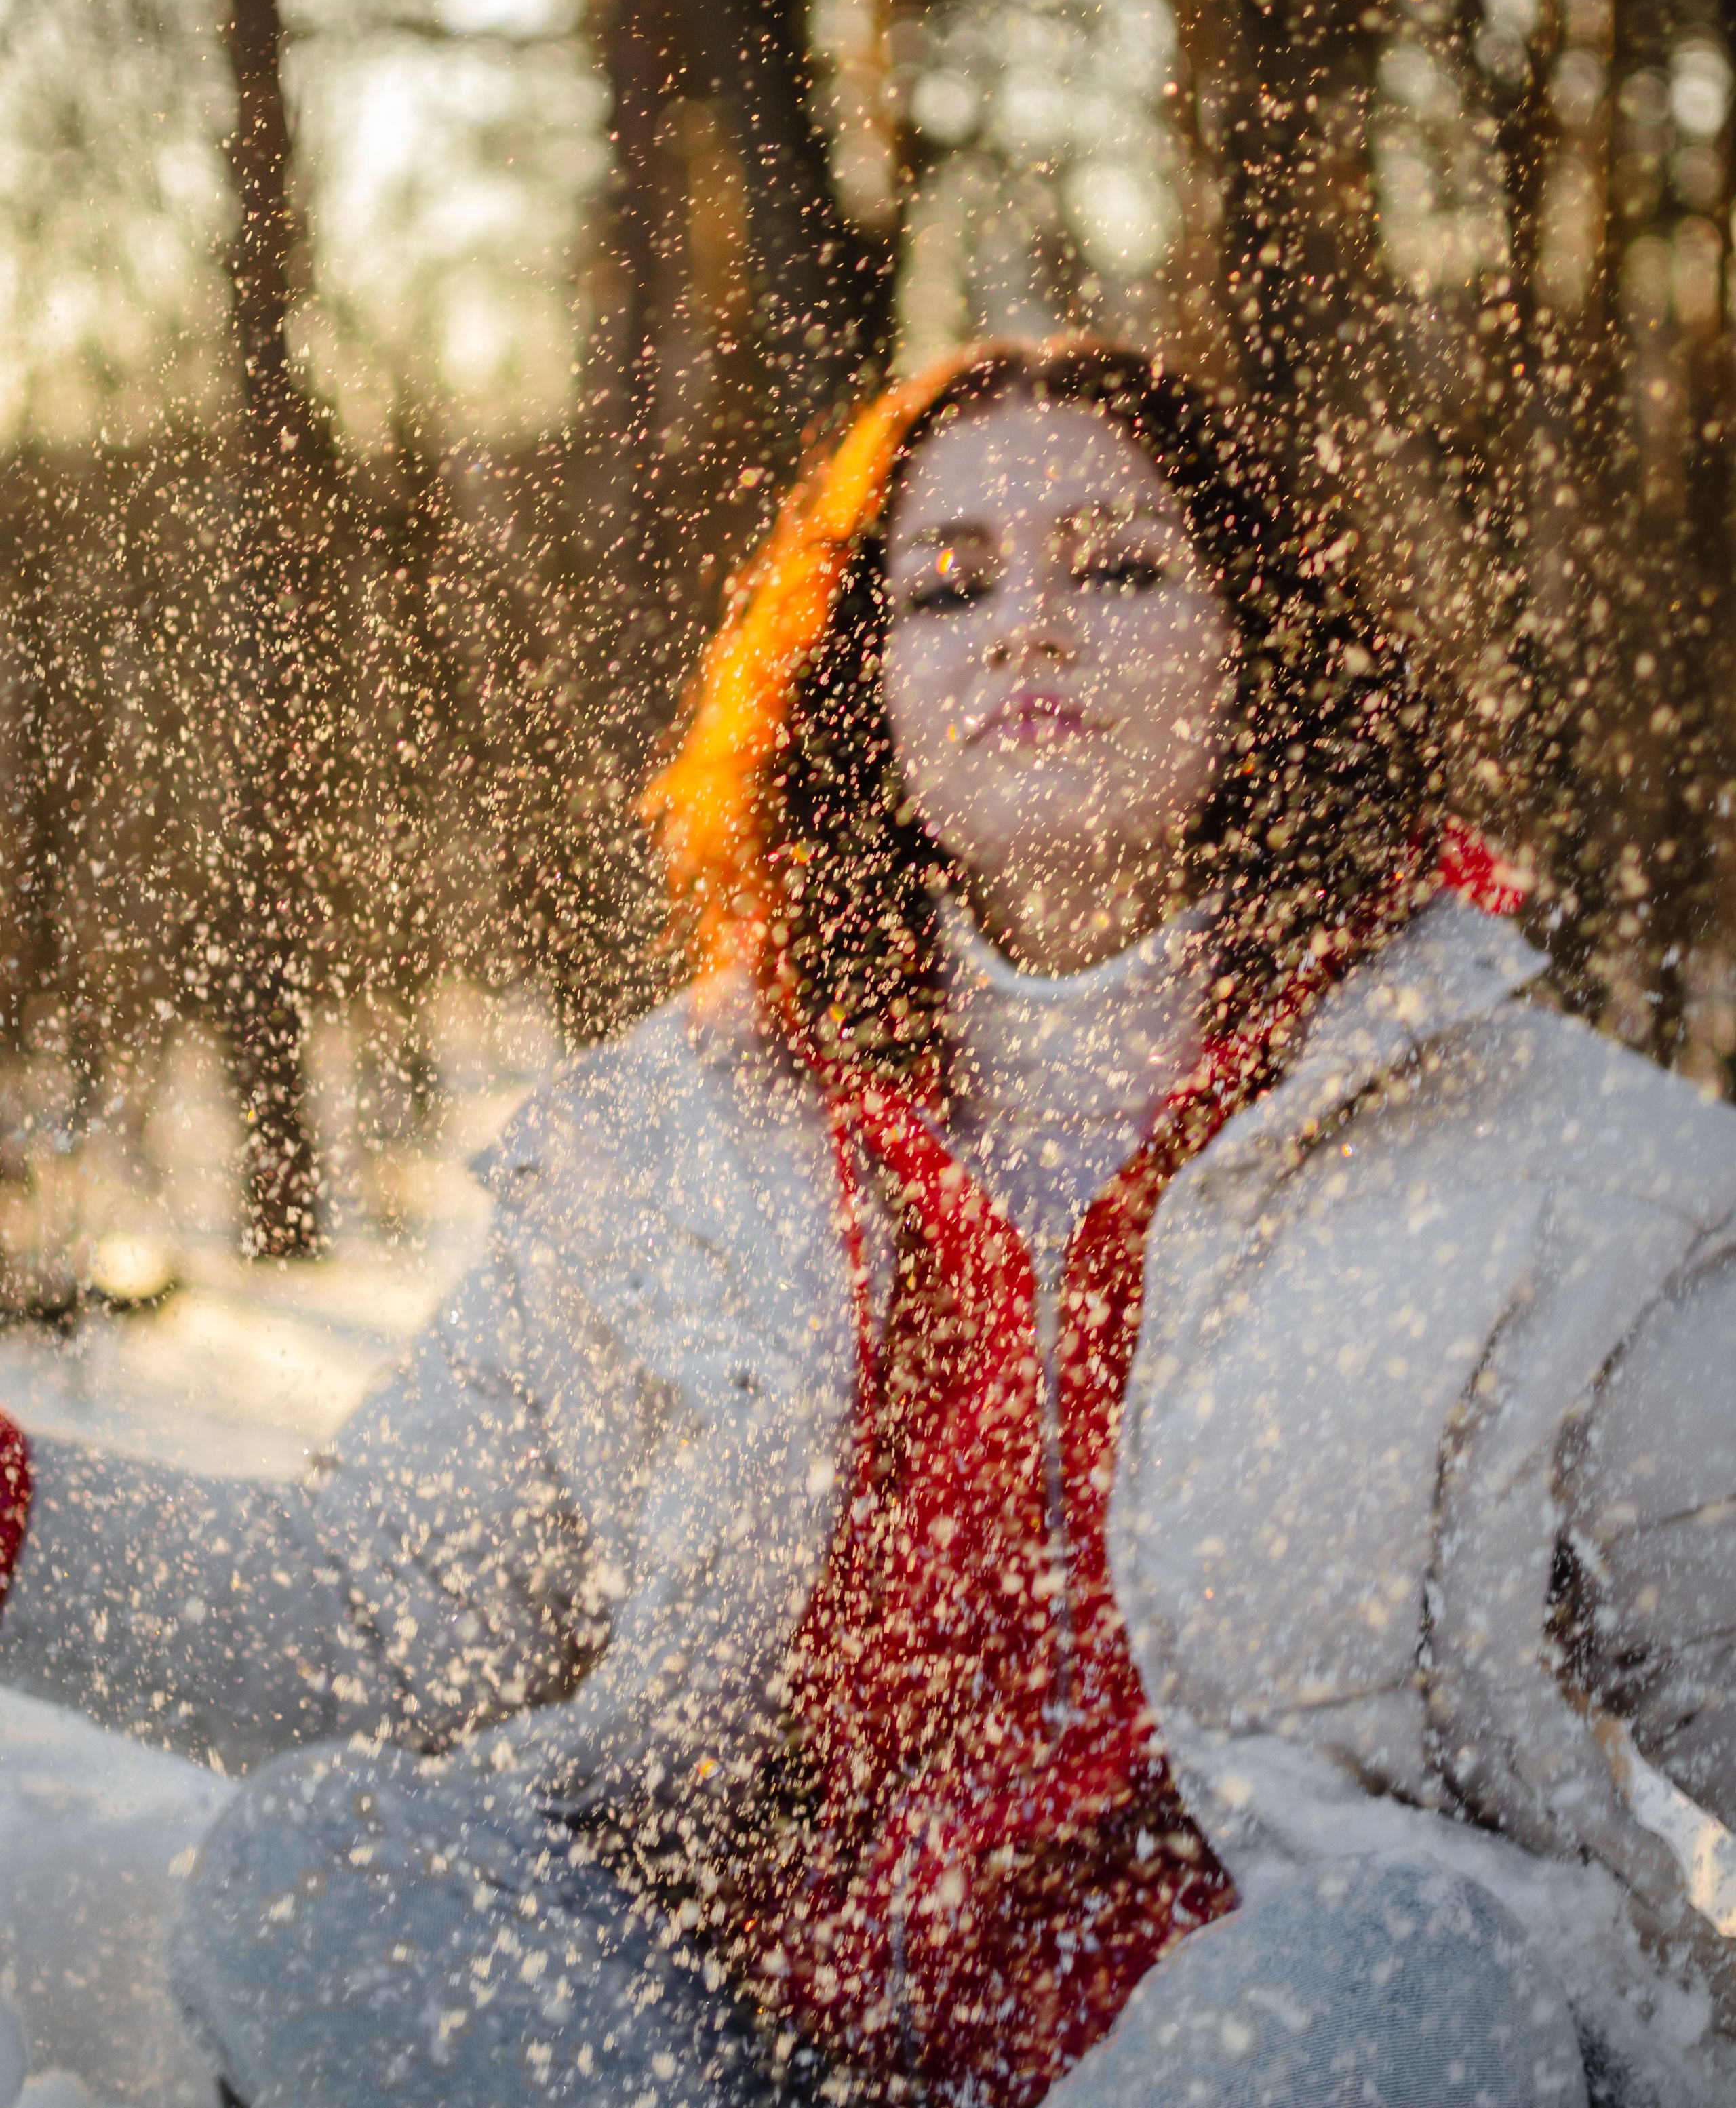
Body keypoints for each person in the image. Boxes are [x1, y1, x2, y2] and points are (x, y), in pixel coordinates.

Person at [1, 336, 1733, 2108]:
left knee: (1407, 1968)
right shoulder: (675, 1150)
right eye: (948, 587)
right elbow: (385, 1612)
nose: (1028, 626)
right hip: (732, 2059)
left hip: (1271, 2060)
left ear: (1259, 655)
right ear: (865, 693)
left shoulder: (1543, 1167)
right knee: (316, 1864)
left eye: (1121, 569)